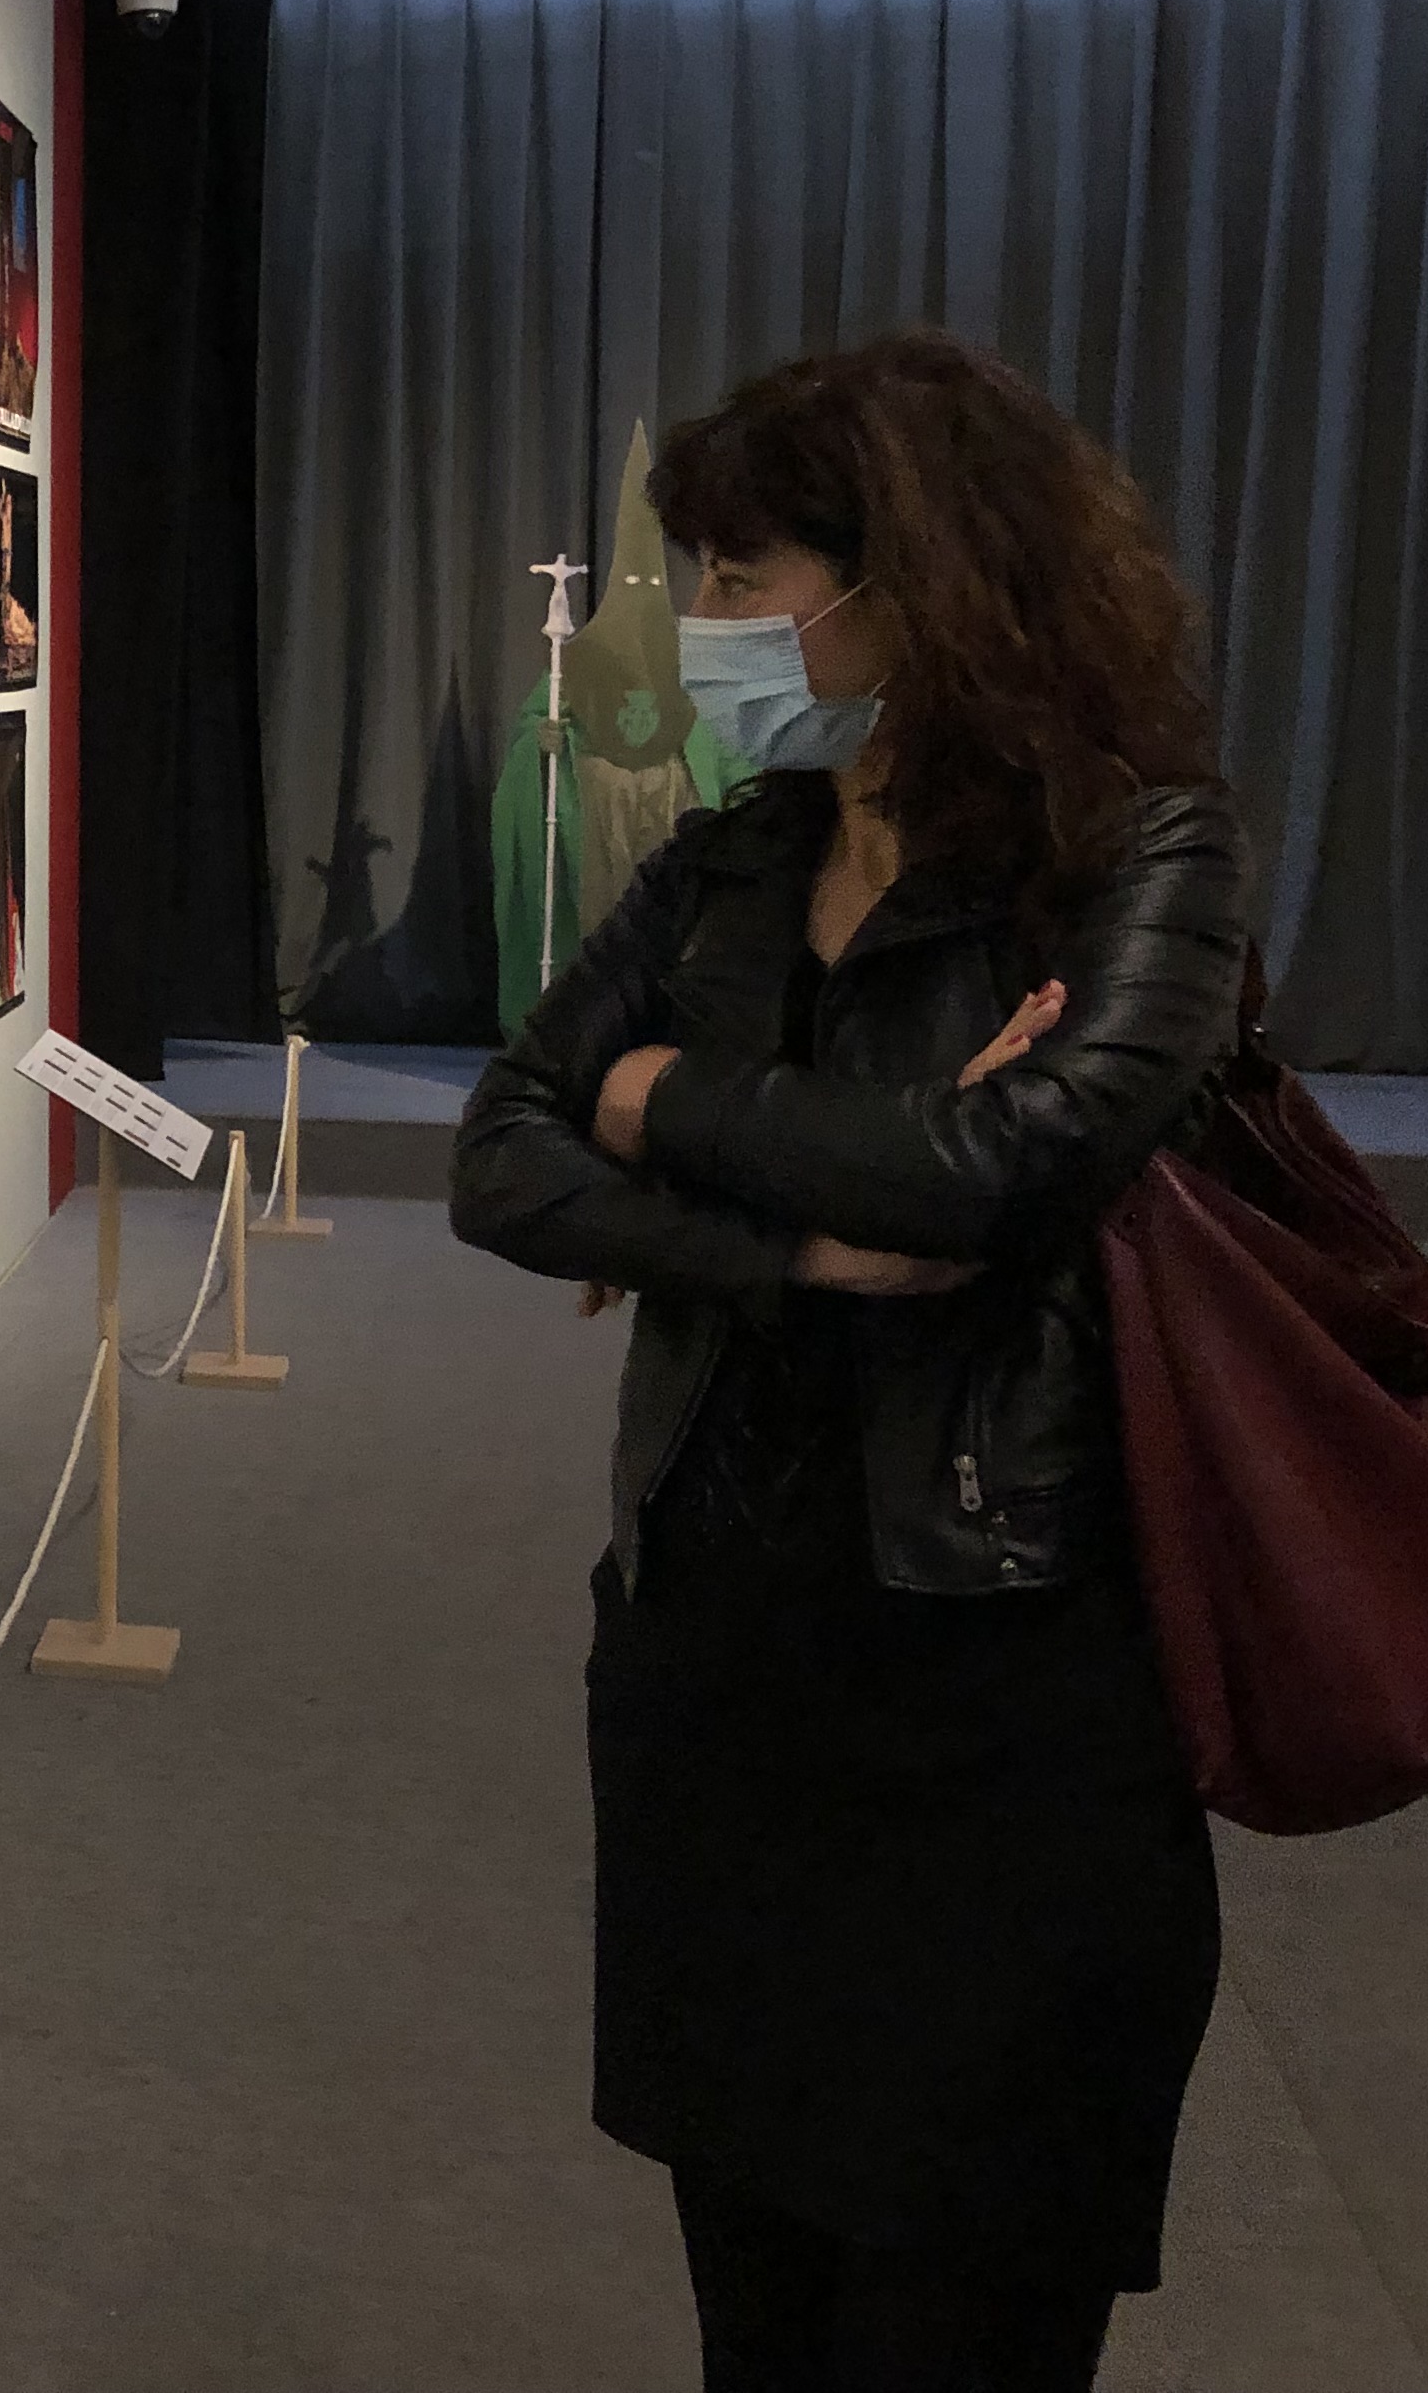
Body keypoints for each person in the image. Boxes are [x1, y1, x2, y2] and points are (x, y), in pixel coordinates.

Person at [449, 332, 1248, 2393]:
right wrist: (801, 1235)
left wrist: (660, 1097)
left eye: (744, 576)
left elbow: (1003, 1170)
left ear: (916, 582)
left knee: (961, 2323)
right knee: (763, 2326)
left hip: (1003, 1716)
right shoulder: (732, 861)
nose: (705, 624)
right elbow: (498, 1152)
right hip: (719, 1697)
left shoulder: (1135, 857)